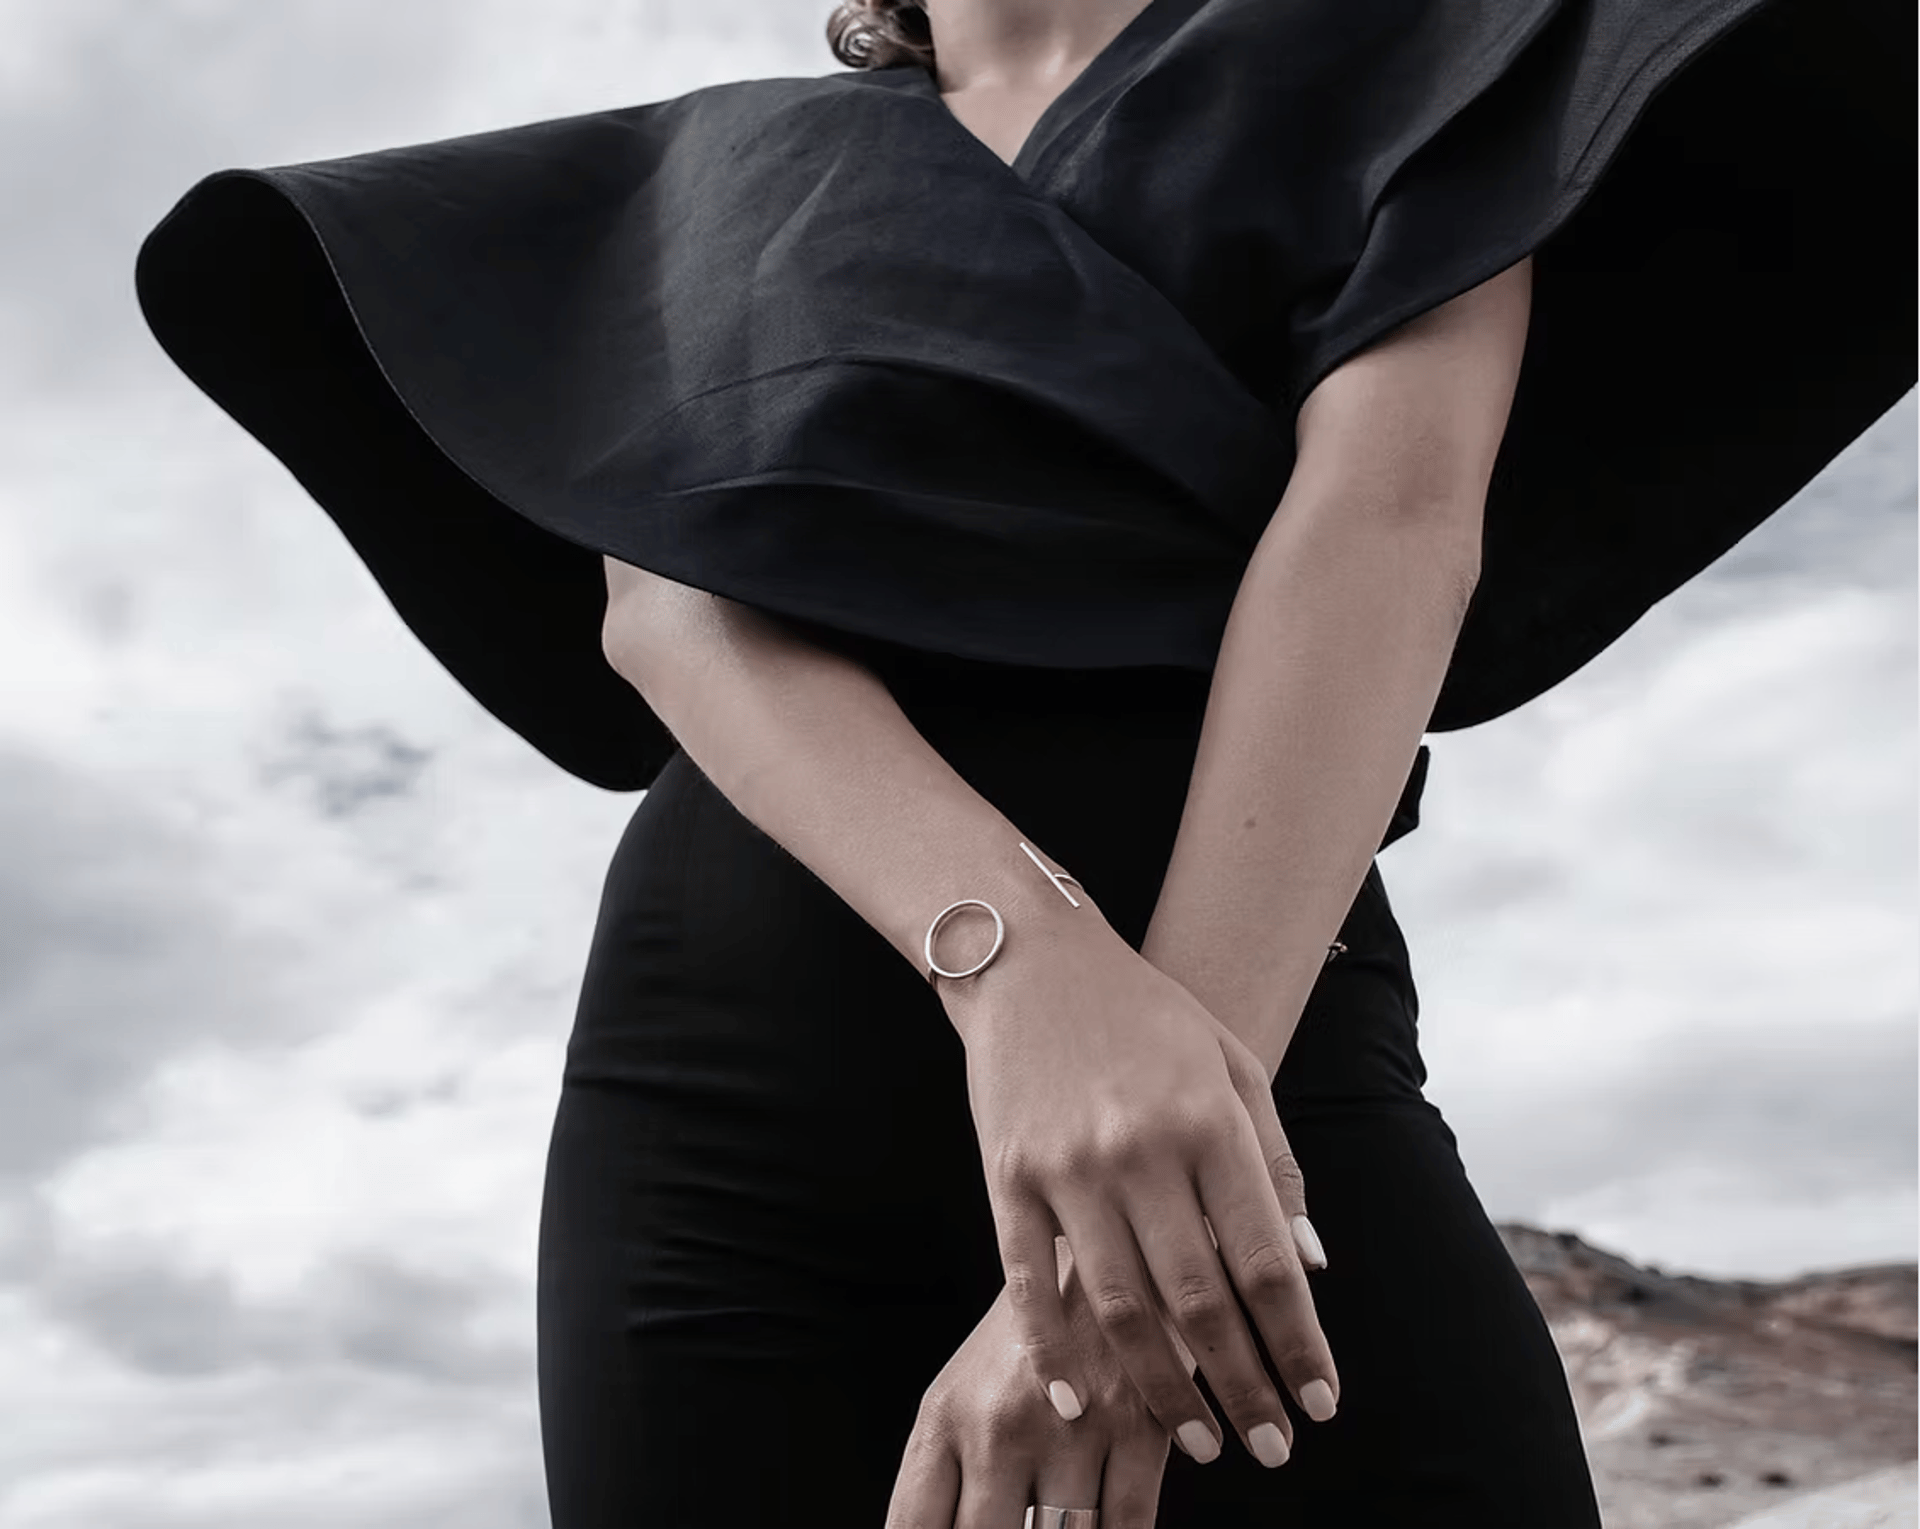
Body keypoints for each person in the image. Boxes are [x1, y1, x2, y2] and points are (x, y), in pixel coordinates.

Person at [134, 0, 1912, 1523]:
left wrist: (1136, 1176)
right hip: (730, 1128)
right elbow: (675, 621)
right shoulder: (717, 172)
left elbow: (1387, 518)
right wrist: (1024, 975)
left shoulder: (1410, 44)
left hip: (1250, 1038)